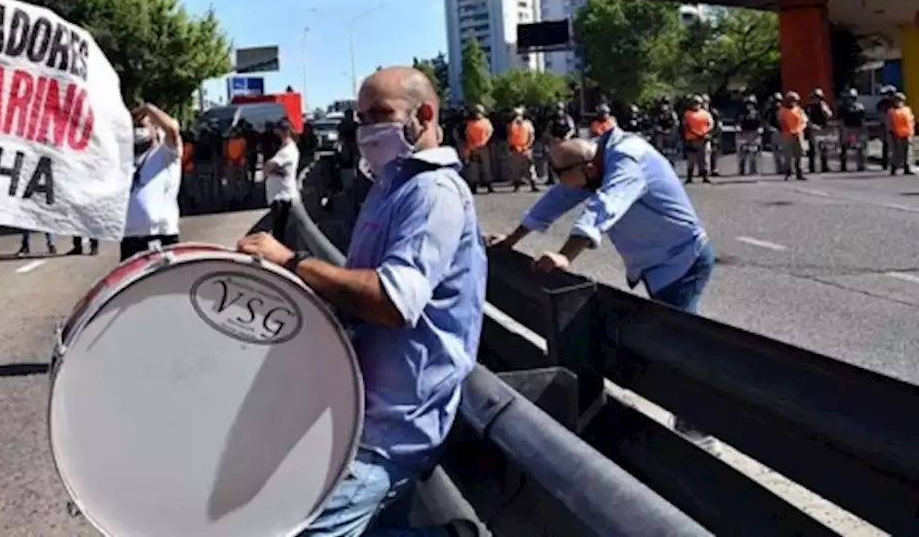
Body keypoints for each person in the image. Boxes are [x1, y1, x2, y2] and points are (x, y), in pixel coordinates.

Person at [238, 67, 485, 537]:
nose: (368, 129)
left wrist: (294, 263)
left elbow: (394, 301)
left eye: (381, 115)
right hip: (358, 406)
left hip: (394, 422)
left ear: (425, 114)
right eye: (361, 118)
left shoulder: (433, 192)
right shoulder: (390, 186)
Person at [485, 129, 714, 441]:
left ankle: (697, 430)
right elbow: (557, 199)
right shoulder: (594, 164)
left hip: (681, 260)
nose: (557, 179)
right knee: (670, 341)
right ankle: (692, 421)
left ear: (588, 168)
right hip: (657, 264)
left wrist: (566, 256)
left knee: (678, 346)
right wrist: (512, 240)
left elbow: (605, 206)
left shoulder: (627, 161)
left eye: (560, 172)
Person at [123, 103, 183, 261]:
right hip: (130, 239)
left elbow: (172, 129)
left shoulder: (166, 154)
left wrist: (147, 108)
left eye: (143, 124)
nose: (138, 130)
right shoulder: (127, 160)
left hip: (159, 236)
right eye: (135, 126)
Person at [264, 119, 300, 246]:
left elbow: (269, 167)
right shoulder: (283, 149)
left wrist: (271, 170)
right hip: (278, 196)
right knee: (278, 232)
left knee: (280, 235)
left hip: (282, 197)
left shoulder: (287, 151)